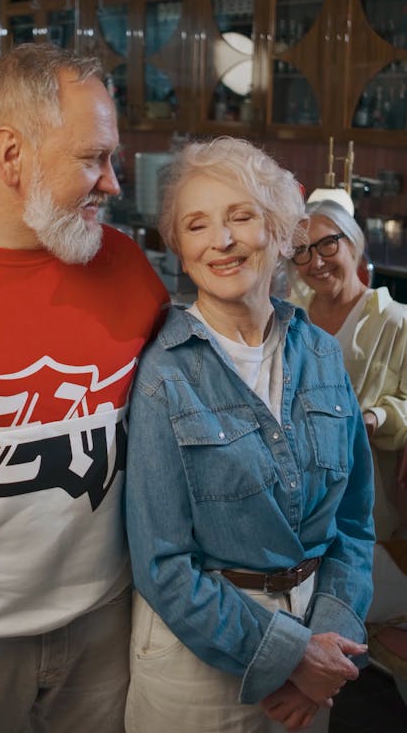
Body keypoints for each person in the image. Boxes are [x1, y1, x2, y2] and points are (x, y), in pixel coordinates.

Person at [0, 42, 168, 733]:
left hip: (101, 623)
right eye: (92, 158)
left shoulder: (127, 266)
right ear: (12, 155)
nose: (113, 183)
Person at [124, 136, 375, 733]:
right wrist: (291, 657)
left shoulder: (320, 351)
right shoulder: (163, 372)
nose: (223, 240)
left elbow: (354, 524)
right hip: (198, 661)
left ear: (280, 229)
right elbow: (162, 566)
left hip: (320, 632)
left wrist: (327, 645)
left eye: (241, 216)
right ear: (181, 250)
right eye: (197, 225)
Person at [289, 197, 407, 702]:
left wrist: (378, 416)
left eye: (327, 244)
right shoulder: (290, 316)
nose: (316, 260)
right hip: (301, 481)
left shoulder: (395, 320)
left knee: (359, 572)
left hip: (369, 483)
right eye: (301, 251)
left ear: (354, 245)